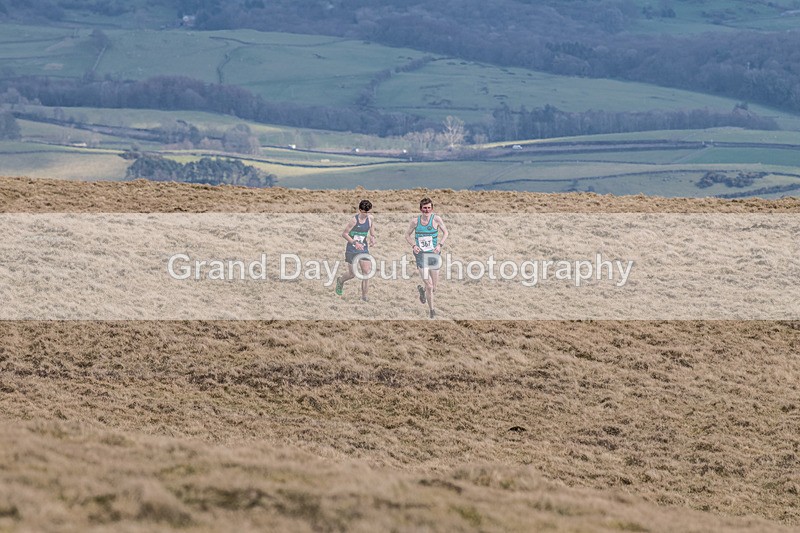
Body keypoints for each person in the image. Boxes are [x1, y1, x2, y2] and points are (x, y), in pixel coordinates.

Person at [405, 197, 449, 318]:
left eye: (429, 208)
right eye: (424, 208)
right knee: (429, 285)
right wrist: (414, 245)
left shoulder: (436, 219)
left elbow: (446, 232)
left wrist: (440, 245)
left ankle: (422, 292)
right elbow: (407, 235)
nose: (427, 210)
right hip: (421, 256)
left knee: (434, 287)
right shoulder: (415, 221)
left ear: (432, 208)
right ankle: (432, 311)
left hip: (434, 255)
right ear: (420, 209)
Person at [335, 199, 376, 301]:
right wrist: (354, 243)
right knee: (352, 274)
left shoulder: (370, 218)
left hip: (363, 249)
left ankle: (364, 297)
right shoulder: (354, 220)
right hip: (352, 249)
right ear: (360, 210)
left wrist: (372, 237)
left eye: (369, 212)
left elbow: (371, 228)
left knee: (366, 273)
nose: (367, 214)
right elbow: (344, 234)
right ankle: (340, 281)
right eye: (365, 212)